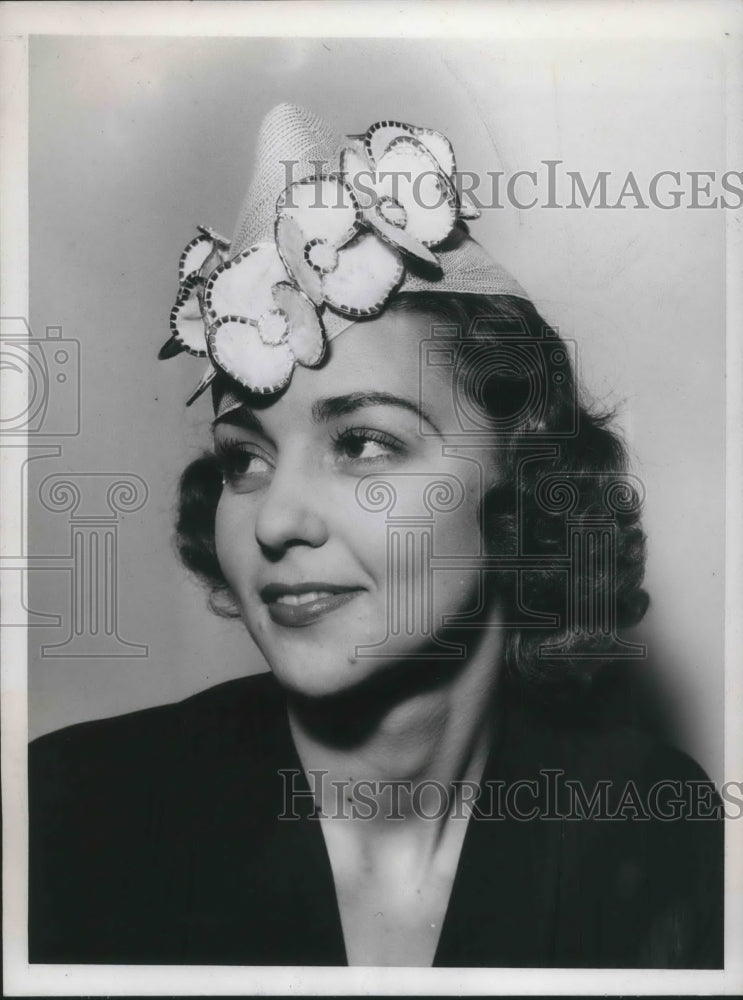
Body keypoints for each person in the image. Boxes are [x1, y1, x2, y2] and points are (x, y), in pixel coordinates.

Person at [29, 104, 723, 968]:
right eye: (244, 460)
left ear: (525, 483)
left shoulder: (658, 825)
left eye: (362, 444)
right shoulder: (67, 815)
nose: (275, 520)